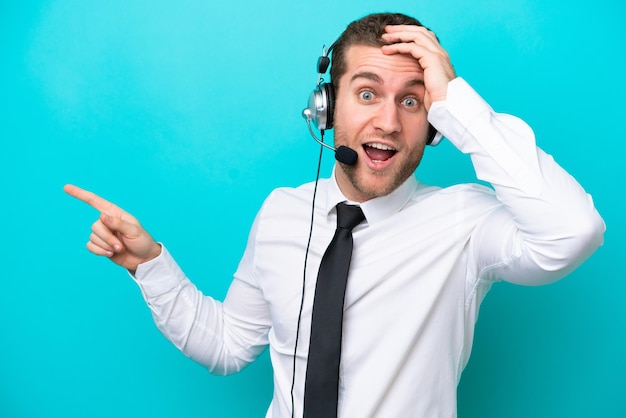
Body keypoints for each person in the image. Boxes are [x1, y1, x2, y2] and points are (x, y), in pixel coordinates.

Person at [64, 12, 605, 418]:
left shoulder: (466, 222)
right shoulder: (282, 211)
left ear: (434, 122)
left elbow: (573, 231)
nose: (389, 122)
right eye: (367, 93)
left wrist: (457, 103)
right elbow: (228, 344)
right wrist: (149, 264)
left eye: (412, 102)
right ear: (326, 107)